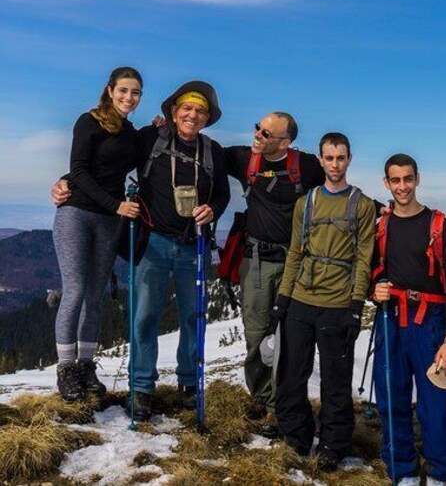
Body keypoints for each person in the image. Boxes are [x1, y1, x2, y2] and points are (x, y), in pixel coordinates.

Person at [124, 80, 230, 419]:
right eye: (187, 108)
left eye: (200, 111)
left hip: (192, 245)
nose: (193, 115)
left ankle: (188, 384)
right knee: (145, 317)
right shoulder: (149, 139)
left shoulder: (212, 151)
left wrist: (213, 208)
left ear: (206, 118)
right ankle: (141, 387)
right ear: (173, 111)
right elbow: (109, 160)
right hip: (153, 241)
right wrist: (70, 178)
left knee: (192, 318)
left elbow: (223, 194)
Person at [273, 132, 375, 470]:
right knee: (291, 375)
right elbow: (295, 252)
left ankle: (333, 445)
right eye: (329, 158)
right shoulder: (308, 202)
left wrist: (356, 305)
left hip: (337, 304)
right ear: (320, 159)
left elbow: (363, 258)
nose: (335, 164)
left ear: (349, 159)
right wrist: (284, 297)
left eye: (340, 158)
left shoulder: (361, 205)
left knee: (335, 379)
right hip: (301, 298)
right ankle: (296, 437)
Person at [223, 112, 324, 422]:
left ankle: (287, 401)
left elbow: (336, 188)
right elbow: (199, 151)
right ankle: (264, 400)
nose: (257, 135)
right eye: (258, 128)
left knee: (291, 336)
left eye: (266, 133)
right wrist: (165, 128)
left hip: (295, 264)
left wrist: (377, 209)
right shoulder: (243, 158)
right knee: (256, 334)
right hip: (256, 262)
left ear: (285, 141)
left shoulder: (305, 166)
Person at [52, 67, 143, 402]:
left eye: (135, 92)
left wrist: (161, 127)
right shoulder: (88, 121)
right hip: (76, 213)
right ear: (109, 90)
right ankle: (66, 368)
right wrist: (116, 204)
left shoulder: (132, 134)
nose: (128, 98)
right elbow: (79, 170)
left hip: (107, 219)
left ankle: (86, 364)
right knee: (74, 290)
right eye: (123, 90)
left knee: (95, 294)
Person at [371, 153, 446, 486]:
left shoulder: (439, 226)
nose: (402, 186)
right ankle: (403, 471)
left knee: (435, 403)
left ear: (417, 179)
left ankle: (440, 473)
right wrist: (373, 290)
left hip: (431, 322)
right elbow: (372, 272)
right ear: (386, 183)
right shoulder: (381, 226)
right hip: (391, 319)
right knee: (391, 397)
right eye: (395, 180)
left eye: (407, 179)